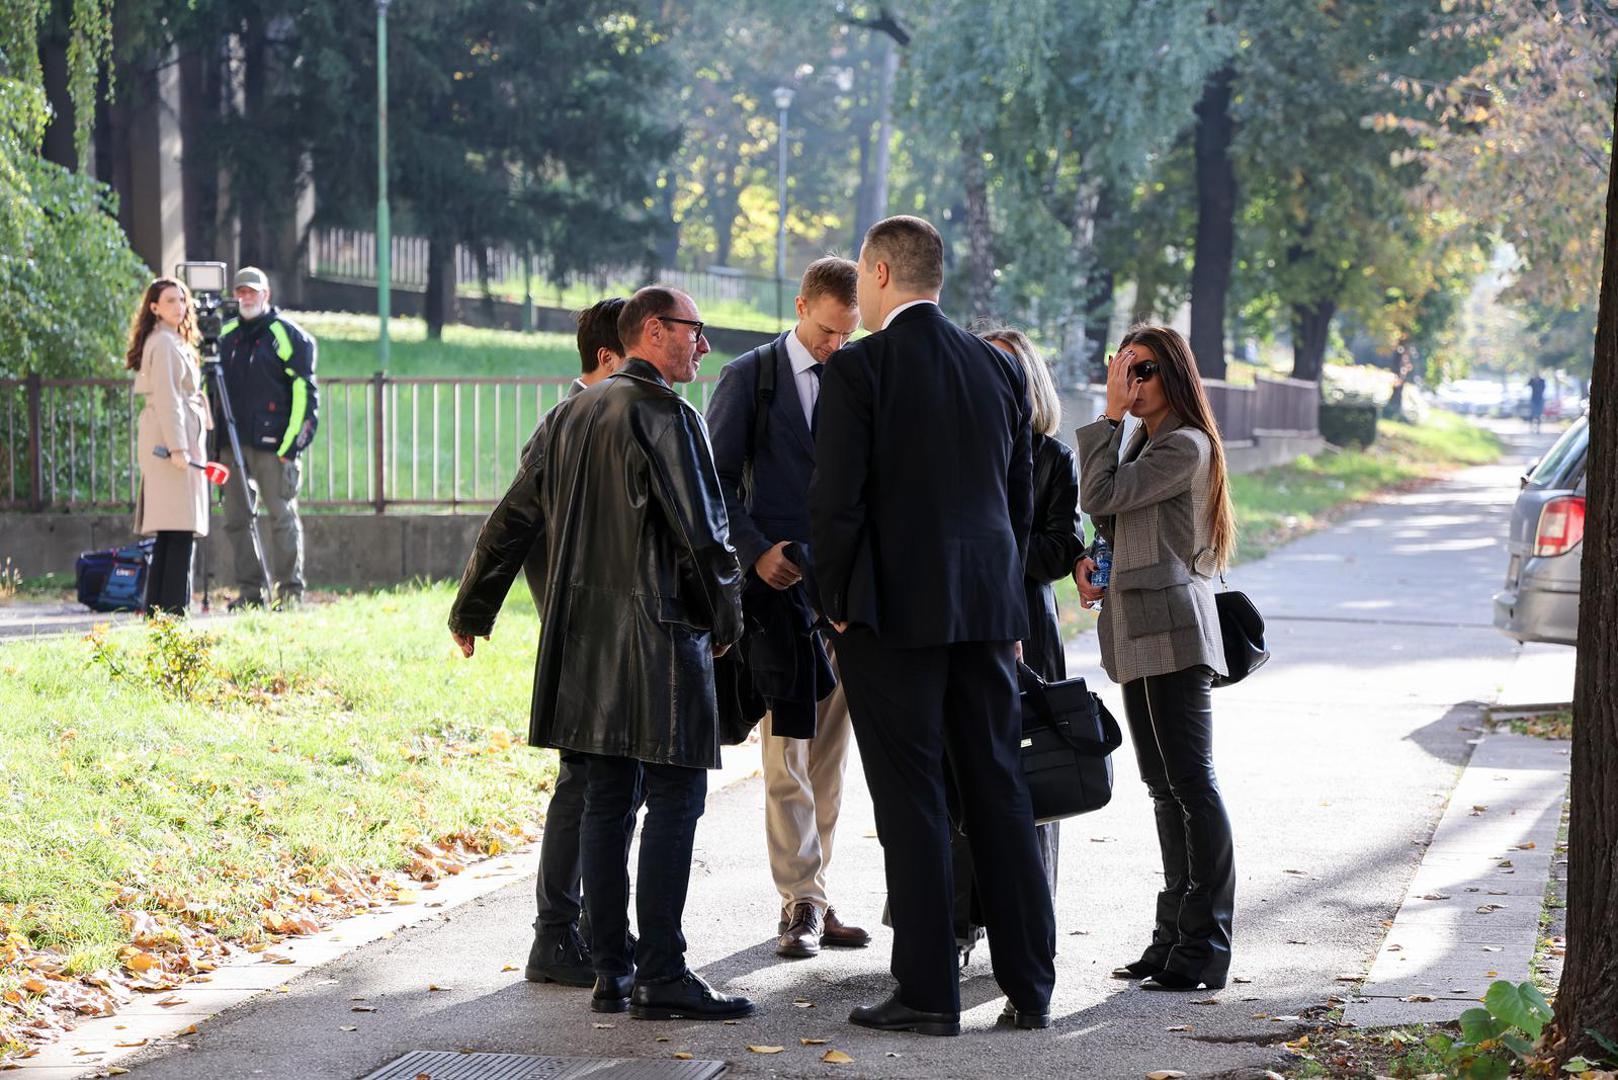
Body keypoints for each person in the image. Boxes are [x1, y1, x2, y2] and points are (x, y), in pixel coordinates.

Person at [448, 286, 754, 1022]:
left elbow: (512, 518)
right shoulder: (666, 416)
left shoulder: (568, 414)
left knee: (608, 801)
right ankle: (663, 971)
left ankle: (611, 971)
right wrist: (729, 618)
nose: (703, 346)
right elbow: (705, 537)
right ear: (655, 331)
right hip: (659, 642)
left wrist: (472, 606)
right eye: (694, 331)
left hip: (582, 641)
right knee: (677, 796)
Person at [810, 215, 1057, 1036]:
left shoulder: (859, 370)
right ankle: (1032, 984)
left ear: (878, 272)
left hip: (891, 616)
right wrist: (1009, 601)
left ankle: (925, 993)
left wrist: (834, 604)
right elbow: (1017, 500)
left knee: (912, 798)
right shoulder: (998, 370)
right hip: (987, 611)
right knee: (997, 787)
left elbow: (836, 505)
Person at [705, 258, 870, 960]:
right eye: (828, 331)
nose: (835, 345)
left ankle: (817, 896)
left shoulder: (860, 378)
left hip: (847, 603)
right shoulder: (752, 376)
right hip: (777, 601)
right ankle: (799, 900)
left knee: (829, 761)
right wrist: (753, 551)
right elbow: (712, 484)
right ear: (803, 307)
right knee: (784, 758)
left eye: (847, 333)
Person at [1073, 324, 1237, 993]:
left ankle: (1206, 944)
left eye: (1141, 371)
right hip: (1138, 629)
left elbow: (1102, 494)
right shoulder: (1147, 441)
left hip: (1172, 630)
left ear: (1172, 376)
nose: (1129, 381)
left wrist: (1108, 417)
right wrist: (1091, 560)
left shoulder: (1186, 446)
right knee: (1164, 790)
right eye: (1123, 368)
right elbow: (1112, 520)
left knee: (1191, 786)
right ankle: (1171, 938)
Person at [520, 297, 632, 988]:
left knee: (603, 785)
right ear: (607, 358)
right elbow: (516, 525)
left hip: (600, 629)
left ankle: (584, 925)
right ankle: (559, 931)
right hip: (585, 632)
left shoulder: (589, 418)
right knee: (586, 783)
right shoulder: (568, 425)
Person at [978, 327, 1085, 893]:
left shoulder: (1053, 458)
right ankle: (963, 917)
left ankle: (1030, 909)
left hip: (1028, 627)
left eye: (1006, 370)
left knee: (1036, 773)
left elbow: (1061, 549)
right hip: (967, 626)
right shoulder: (959, 452)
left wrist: (989, 546)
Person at [215, 266, 318, 609]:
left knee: (282, 518)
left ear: (266, 295)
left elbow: (305, 392)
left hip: (275, 448)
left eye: (252, 292)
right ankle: (250, 594)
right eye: (240, 292)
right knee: (235, 521)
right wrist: (215, 445)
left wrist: (291, 446)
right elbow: (210, 392)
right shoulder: (224, 335)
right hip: (232, 446)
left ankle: (290, 593)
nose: (246, 297)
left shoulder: (288, 335)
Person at [127, 278, 211, 617]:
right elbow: (167, 398)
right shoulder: (163, 343)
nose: (179, 306)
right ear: (154, 307)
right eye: (170, 301)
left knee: (172, 530)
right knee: (178, 529)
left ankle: (160, 610)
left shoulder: (171, 340)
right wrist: (178, 448)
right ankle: (173, 611)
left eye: (182, 300)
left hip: (174, 441)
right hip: (170, 445)